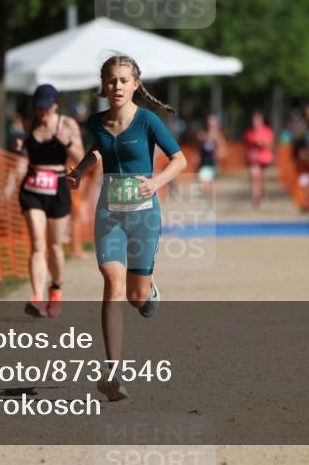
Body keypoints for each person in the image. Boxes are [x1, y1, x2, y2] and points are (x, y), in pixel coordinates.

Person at [65, 55, 187, 402]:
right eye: (111, 80)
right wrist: (78, 172)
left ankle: (149, 290)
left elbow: (180, 160)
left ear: (135, 84)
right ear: (103, 86)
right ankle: (114, 374)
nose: (117, 86)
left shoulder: (147, 121)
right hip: (110, 216)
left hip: (144, 215)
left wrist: (156, 182)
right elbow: (98, 151)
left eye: (123, 80)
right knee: (112, 283)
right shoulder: (95, 122)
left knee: (136, 297)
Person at [14, 84, 84, 318]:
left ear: (55, 105)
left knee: (54, 246)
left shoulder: (67, 124)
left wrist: (67, 143)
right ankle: (36, 298)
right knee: (37, 244)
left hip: (58, 188)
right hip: (32, 188)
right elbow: (26, 155)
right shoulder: (31, 122)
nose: (41, 111)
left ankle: (56, 289)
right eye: (38, 107)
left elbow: (82, 158)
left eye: (45, 107)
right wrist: (20, 154)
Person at [196, 113, 227, 213]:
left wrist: (218, 152)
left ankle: (210, 207)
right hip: (204, 163)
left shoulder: (218, 137)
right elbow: (198, 145)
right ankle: (205, 199)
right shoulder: (203, 134)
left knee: (211, 186)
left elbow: (224, 151)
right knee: (203, 183)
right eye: (210, 124)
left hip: (213, 163)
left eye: (213, 124)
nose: (211, 126)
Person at [244, 111, 275, 208]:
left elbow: (270, 145)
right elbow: (246, 145)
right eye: (254, 120)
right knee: (254, 177)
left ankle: (262, 196)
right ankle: (254, 199)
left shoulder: (268, 131)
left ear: (261, 121)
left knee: (262, 179)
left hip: (265, 158)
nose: (255, 122)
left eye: (257, 120)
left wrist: (262, 143)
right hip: (253, 159)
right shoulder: (249, 132)